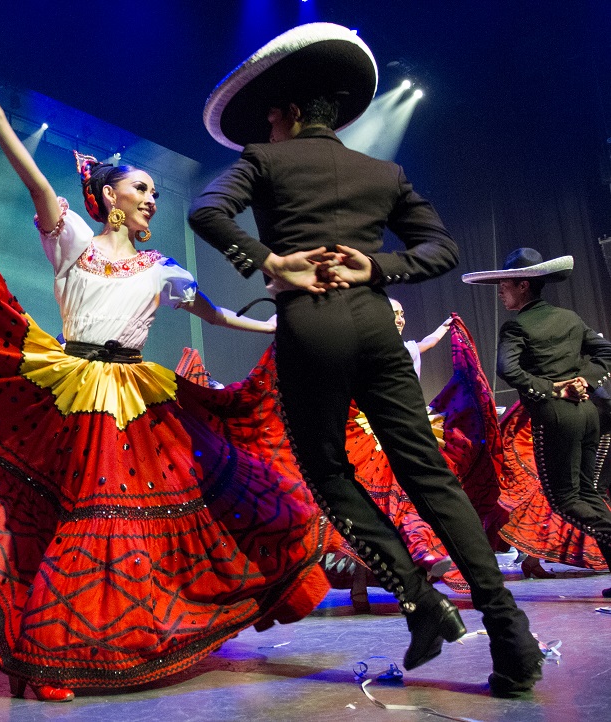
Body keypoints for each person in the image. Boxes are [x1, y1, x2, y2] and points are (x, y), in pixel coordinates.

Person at [0, 74, 331, 702]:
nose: (152, 200)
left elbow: (216, 315)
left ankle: (110, 636)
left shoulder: (166, 268)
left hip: (139, 400)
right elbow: (35, 181)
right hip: (71, 390)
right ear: (109, 195)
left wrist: (275, 321)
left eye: (157, 193)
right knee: (78, 512)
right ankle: (64, 645)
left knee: (149, 515)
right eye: (142, 187)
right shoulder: (74, 242)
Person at [187, 22, 543, 697]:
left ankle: (419, 599)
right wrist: (374, 264)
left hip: (311, 327)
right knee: (429, 478)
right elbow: (441, 249)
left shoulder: (263, 160)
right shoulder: (383, 172)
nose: (265, 122)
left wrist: (272, 261)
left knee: (326, 469)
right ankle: (509, 634)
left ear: (289, 112)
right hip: (376, 321)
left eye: (270, 113)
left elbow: (209, 212)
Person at [463, 248, 611, 598]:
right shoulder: (569, 317)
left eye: (505, 284)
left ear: (524, 285)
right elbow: (605, 352)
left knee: (565, 500)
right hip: (590, 414)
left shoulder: (517, 325)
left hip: (558, 417)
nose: (500, 291)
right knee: (586, 493)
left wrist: (553, 390)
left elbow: (507, 369)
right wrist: (584, 381)